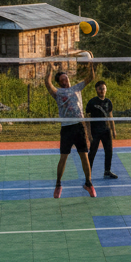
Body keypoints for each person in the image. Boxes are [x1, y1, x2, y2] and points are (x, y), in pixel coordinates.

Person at [45, 61, 96, 198]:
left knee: (84, 156)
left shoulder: (77, 88)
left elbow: (91, 77)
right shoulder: (58, 93)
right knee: (63, 157)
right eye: (62, 79)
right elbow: (47, 84)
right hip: (67, 128)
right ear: (59, 82)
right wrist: (49, 69)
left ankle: (89, 184)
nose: (65, 79)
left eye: (66, 77)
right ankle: (58, 185)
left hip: (79, 126)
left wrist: (90, 61)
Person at [86, 80, 118, 179]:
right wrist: (89, 134)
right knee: (92, 152)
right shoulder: (92, 102)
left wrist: (113, 130)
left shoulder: (108, 102)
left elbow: (110, 116)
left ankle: (107, 171)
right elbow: (87, 119)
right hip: (95, 131)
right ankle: (88, 172)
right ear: (96, 90)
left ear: (106, 89)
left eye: (103, 88)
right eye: (100, 89)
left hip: (106, 131)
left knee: (109, 151)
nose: (102, 90)